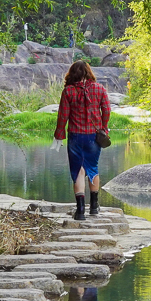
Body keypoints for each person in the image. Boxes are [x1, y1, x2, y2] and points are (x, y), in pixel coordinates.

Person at [54, 60, 110, 219]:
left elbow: (63, 116)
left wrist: (59, 134)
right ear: (89, 72)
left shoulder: (68, 91)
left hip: (75, 136)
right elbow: (106, 109)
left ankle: (80, 211)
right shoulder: (99, 89)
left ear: (72, 73)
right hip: (94, 135)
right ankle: (94, 207)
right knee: (92, 167)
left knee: (78, 170)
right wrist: (104, 127)